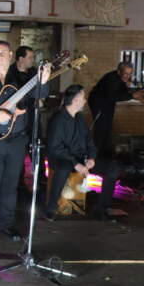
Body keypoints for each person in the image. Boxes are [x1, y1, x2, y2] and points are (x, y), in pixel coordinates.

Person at [0, 40, 50, 242]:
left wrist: (43, 81)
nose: (0, 56)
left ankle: (7, 225)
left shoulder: (21, 80)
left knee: (11, 185)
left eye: (4, 53)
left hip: (17, 140)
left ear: (10, 56)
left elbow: (40, 95)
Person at [45, 85, 124, 221]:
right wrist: (76, 164)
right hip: (62, 158)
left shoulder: (79, 118)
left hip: (80, 158)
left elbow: (89, 141)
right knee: (63, 169)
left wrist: (91, 158)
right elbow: (55, 148)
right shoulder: (58, 120)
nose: (85, 101)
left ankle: (101, 209)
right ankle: (51, 208)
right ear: (75, 100)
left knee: (112, 168)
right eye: (83, 98)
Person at [88, 62, 144, 158]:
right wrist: (132, 95)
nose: (128, 76)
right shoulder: (111, 79)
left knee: (108, 128)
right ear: (119, 72)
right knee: (100, 129)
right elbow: (113, 96)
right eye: (126, 73)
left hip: (107, 105)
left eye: (130, 74)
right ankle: (94, 157)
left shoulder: (120, 78)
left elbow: (122, 90)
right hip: (99, 104)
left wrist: (134, 91)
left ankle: (106, 155)